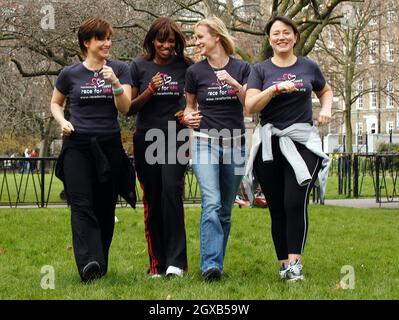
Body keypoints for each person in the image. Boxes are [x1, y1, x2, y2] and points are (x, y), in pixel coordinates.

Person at [245, 16, 333, 282]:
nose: (281, 37)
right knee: (277, 207)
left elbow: (325, 90)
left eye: (286, 33)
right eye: (275, 33)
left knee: (295, 202)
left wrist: (326, 108)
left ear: (295, 37)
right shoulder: (259, 70)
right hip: (270, 145)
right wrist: (273, 89)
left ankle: (296, 264)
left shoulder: (309, 66)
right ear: (269, 39)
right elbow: (250, 106)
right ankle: (283, 265)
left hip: (302, 142)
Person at [50, 17, 136, 283]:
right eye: (101, 39)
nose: (107, 43)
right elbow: (56, 103)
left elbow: (125, 107)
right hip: (77, 145)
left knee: (104, 205)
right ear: (87, 43)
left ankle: (100, 261)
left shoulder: (120, 68)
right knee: (81, 204)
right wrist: (63, 121)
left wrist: (114, 83)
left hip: (108, 145)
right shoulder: (70, 74)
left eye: (109, 38)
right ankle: (89, 264)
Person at [183, 16, 250, 281]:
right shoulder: (195, 72)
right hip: (204, 143)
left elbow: (251, 105)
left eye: (200, 37)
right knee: (210, 202)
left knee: (224, 208)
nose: (196, 42)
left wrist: (235, 85)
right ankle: (210, 264)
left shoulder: (243, 68)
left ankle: (215, 265)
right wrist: (188, 116)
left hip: (235, 143)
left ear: (217, 38)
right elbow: (189, 105)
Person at [128, 17, 193, 278]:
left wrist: (188, 112)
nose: (166, 45)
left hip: (176, 137)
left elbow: (196, 101)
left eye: (171, 40)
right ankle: (157, 264)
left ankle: (177, 263)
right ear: (152, 41)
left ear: (177, 42)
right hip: (147, 137)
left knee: (171, 192)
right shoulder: (138, 66)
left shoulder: (187, 67)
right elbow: (130, 108)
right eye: (161, 40)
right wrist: (150, 90)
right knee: (153, 199)